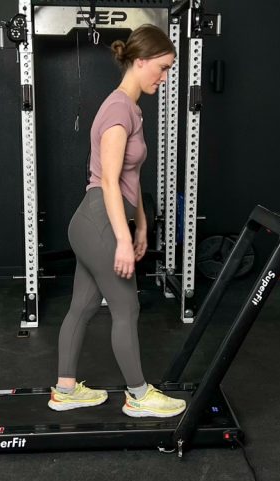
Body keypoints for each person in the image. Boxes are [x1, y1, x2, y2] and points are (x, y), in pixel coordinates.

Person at [48, 25, 187, 418]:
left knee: (83, 306)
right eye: (161, 67)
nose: (163, 77)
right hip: (100, 223)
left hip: (99, 223)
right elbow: (109, 181)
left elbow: (131, 180)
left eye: (169, 69)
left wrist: (142, 225)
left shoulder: (133, 108)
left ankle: (65, 390)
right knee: (126, 308)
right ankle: (139, 396)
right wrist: (123, 240)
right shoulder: (117, 108)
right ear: (140, 61)